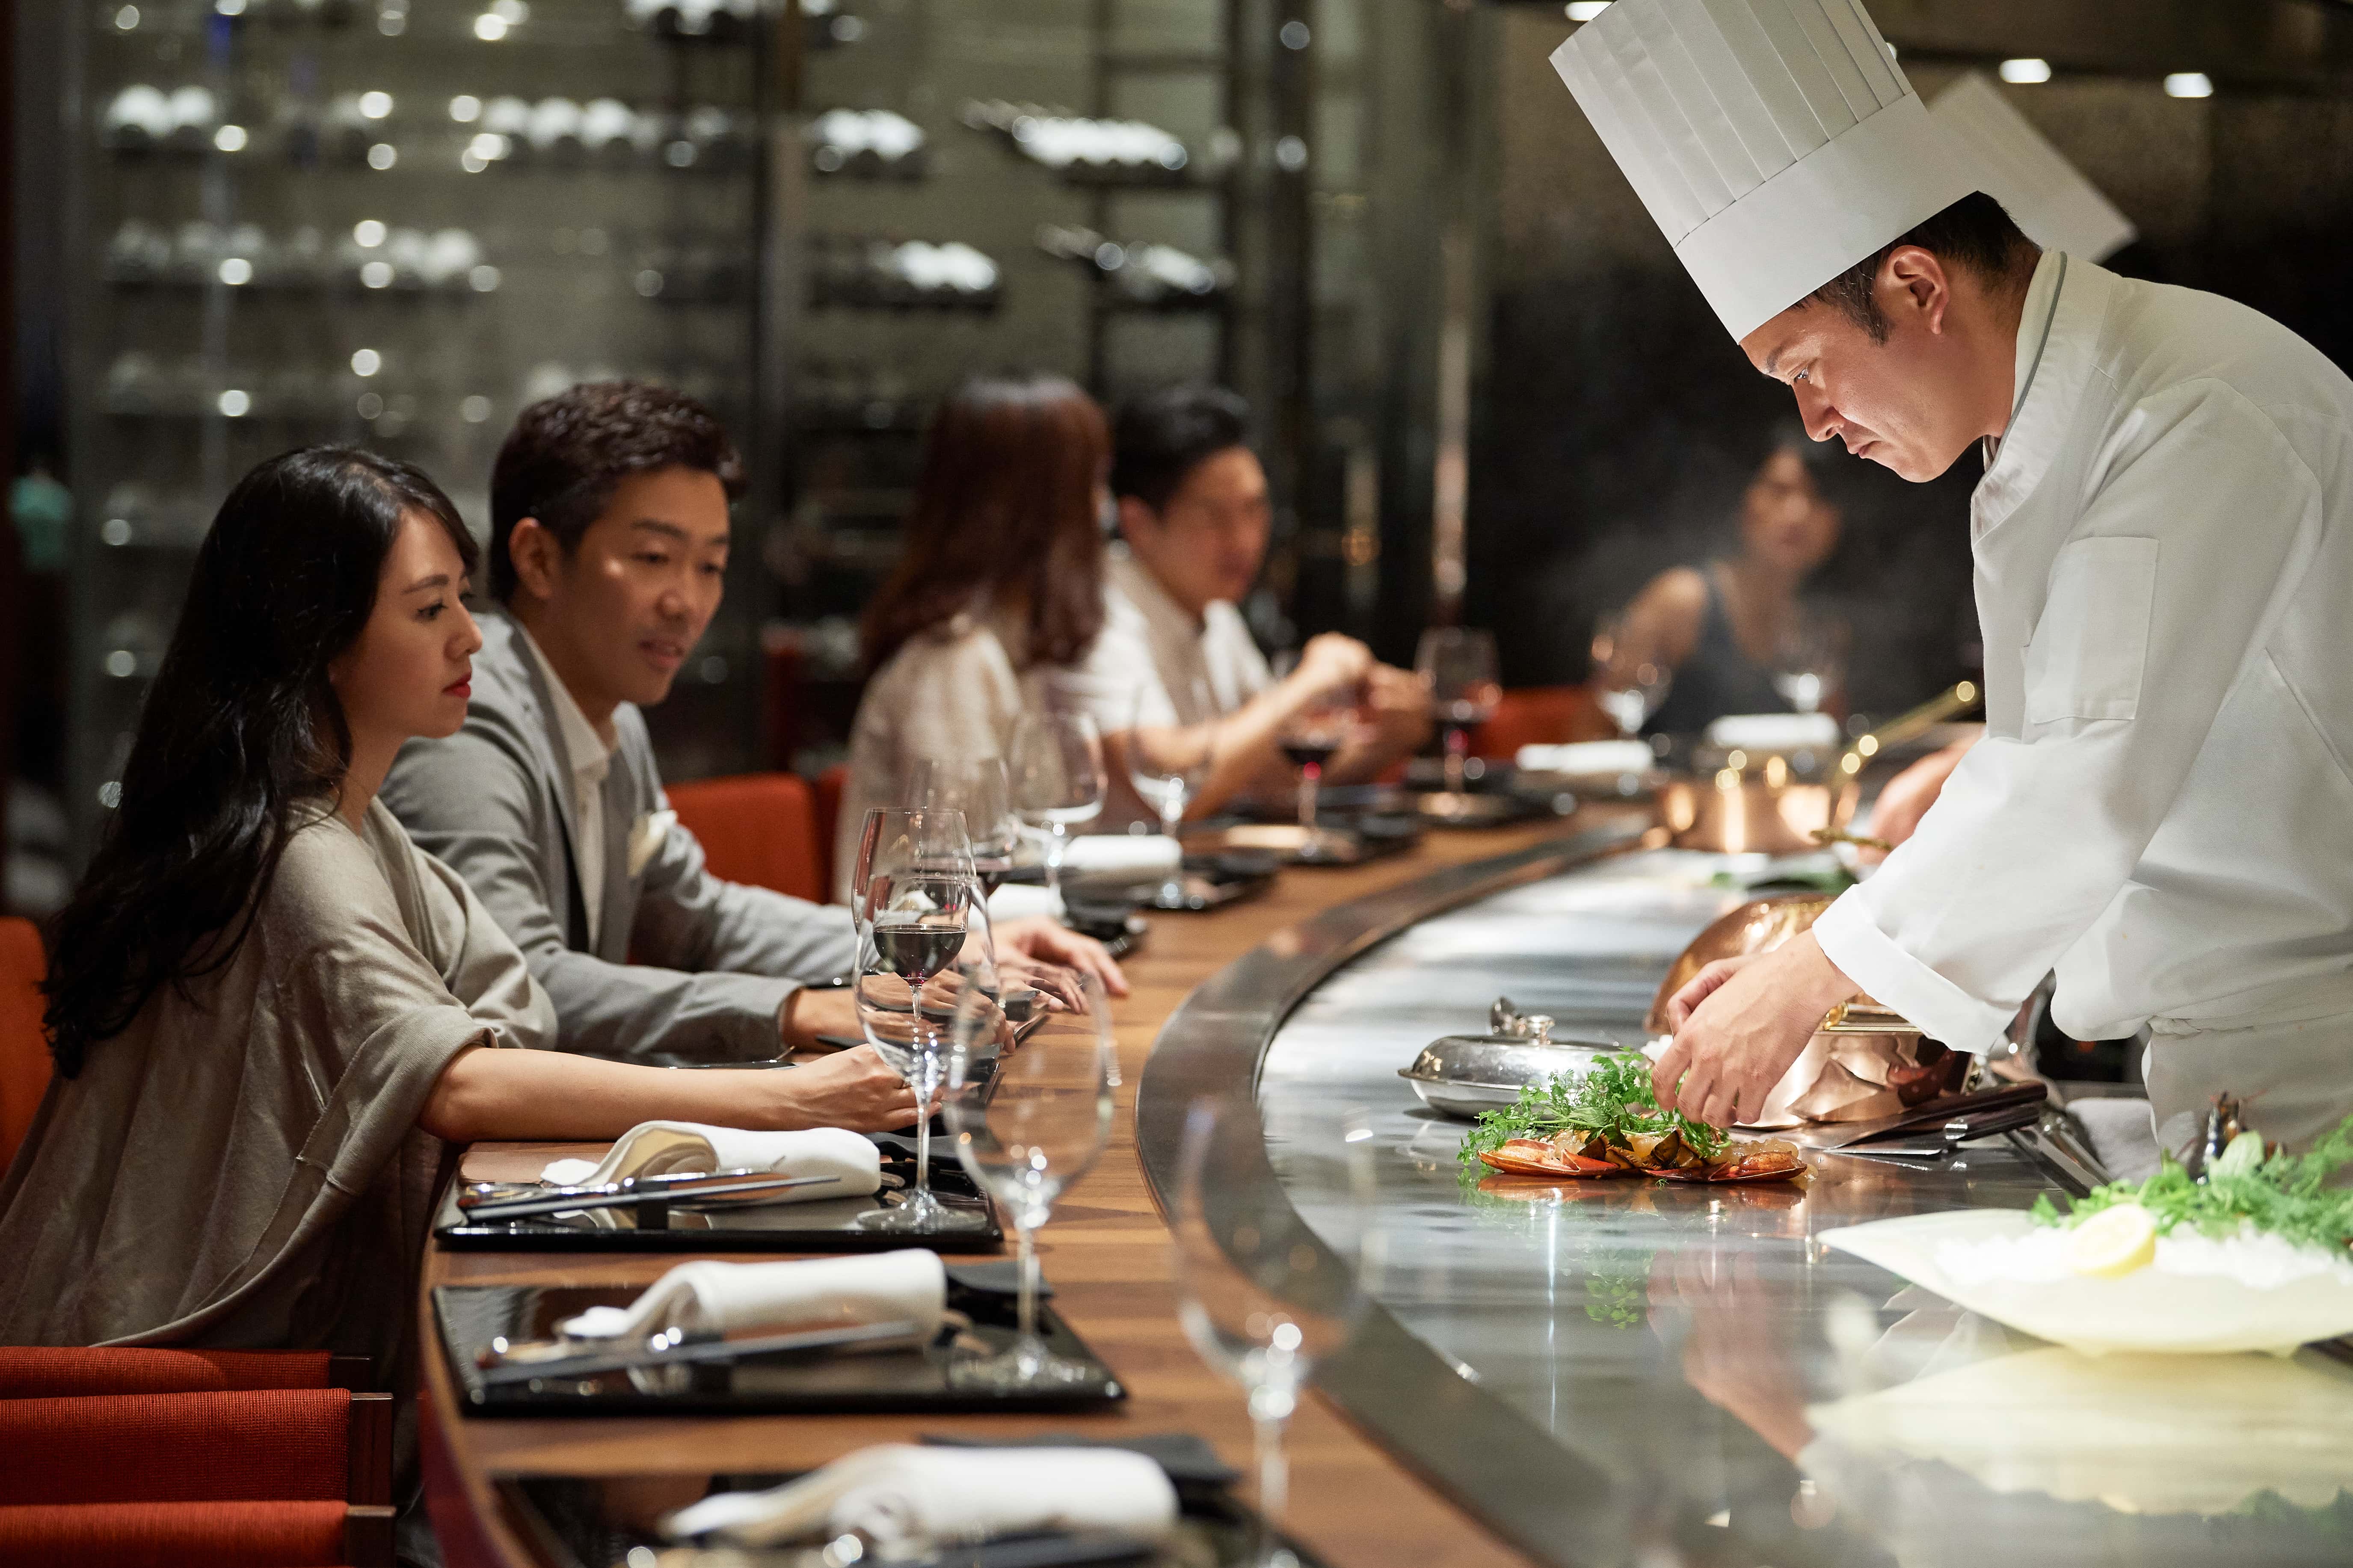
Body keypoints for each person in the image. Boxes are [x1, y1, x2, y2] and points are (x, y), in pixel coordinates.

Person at [0, 449, 926, 1561]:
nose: (471, 639)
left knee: (664, 1400)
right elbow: (461, 1082)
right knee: (658, 1428)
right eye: (430, 608)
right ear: (319, 637)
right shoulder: (294, 852)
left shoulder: (356, 823)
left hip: (279, 1358)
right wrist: (792, 1104)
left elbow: (516, 1004)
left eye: (462, 603)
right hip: (160, 1400)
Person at [1556, 0, 2353, 1152]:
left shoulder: (2189, 408)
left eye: (1806, 367)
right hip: (2238, 1061)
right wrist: (1846, 951)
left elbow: (2077, 780)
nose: (1814, 423)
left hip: (2321, 1069)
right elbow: (2125, 736)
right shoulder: (2049, 430)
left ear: (1917, 288)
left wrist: (1806, 976)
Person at [383, 383, 1120, 1073]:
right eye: (654, 558)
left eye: (711, 565)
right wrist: (798, 1009)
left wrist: (925, 946)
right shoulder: (469, 712)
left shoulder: (611, 714)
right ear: (539, 558)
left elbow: (699, 920)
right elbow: (524, 980)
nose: (687, 601)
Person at [836, 373, 1118, 898]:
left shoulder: (1006, 645)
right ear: (1038, 509)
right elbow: (957, 883)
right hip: (928, 949)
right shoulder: (954, 660)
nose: (1105, 508)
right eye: (1093, 482)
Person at [1098, 385, 1428, 816]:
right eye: (1214, 516)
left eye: (1254, 509)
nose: (1245, 540)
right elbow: (1166, 786)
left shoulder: (1215, 609)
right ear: (1137, 523)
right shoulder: (1096, 610)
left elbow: (1269, 778)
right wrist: (1311, 682)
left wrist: (1388, 740)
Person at [1599, 429, 1843, 736]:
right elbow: (1598, 730)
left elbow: (1827, 738)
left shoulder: (1818, 627)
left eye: (1817, 497)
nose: (1798, 513)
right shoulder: (1683, 601)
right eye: (1779, 491)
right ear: (1743, 500)